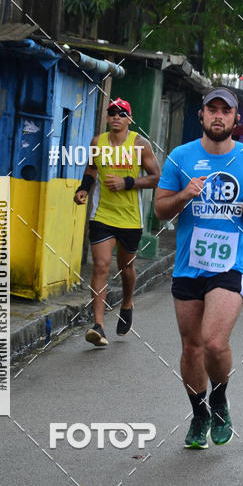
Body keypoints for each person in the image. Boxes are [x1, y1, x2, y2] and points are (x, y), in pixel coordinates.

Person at [154, 88, 243, 449]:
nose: (218, 116)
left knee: (214, 342)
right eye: (212, 110)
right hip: (189, 266)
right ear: (202, 116)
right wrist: (183, 196)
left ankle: (219, 400)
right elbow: (161, 209)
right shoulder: (180, 157)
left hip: (229, 264)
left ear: (235, 118)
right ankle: (198, 413)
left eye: (226, 111)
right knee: (192, 348)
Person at [74, 98, 161, 346]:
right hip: (102, 215)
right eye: (112, 112)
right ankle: (98, 326)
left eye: (122, 114)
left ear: (129, 119)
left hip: (130, 218)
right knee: (101, 266)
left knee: (126, 268)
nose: (116, 117)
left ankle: (126, 302)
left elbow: (156, 177)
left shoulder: (140, 145)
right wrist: (83, 189)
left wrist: (128, 183)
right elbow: (91, 169)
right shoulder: (97, 142)